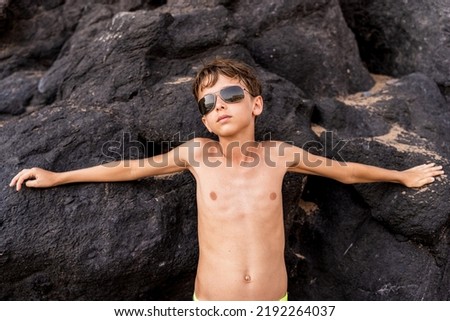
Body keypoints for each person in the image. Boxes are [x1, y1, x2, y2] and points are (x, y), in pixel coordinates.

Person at [9, 58, 445, 301]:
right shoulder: (197, 153)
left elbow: (345, 171)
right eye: (207, 102)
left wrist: (401, 175)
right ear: (203, 118)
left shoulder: (279, 154)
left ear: (255, 105)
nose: (219, 104)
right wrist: (58, 175)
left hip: (275, 305)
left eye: (231, 94)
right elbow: (128, 168)